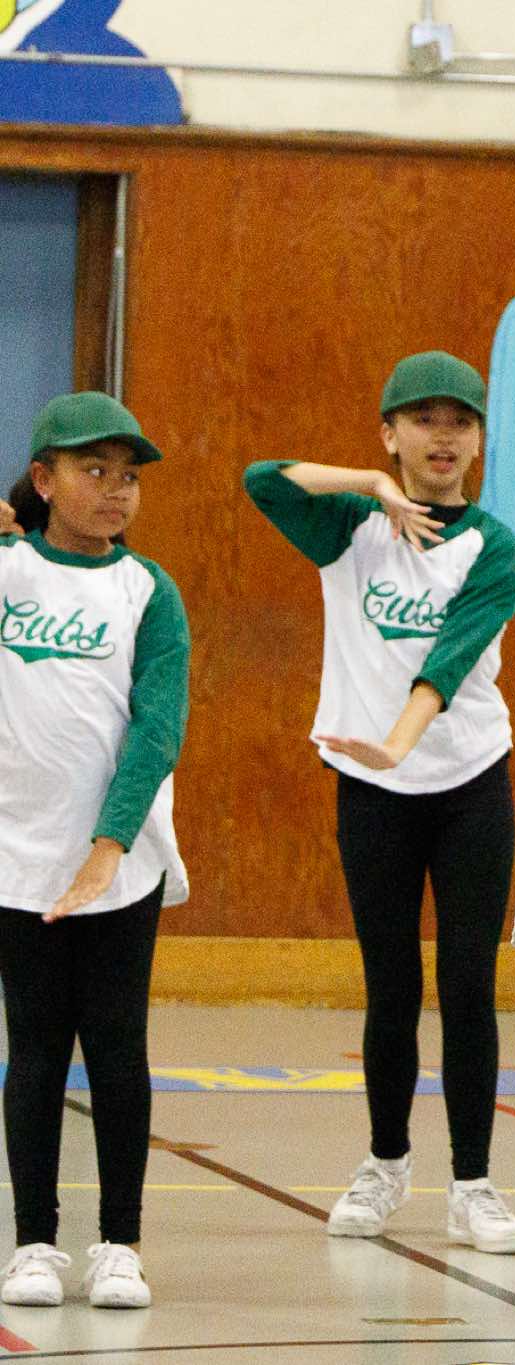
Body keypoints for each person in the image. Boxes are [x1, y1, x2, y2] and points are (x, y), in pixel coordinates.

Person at [242, 352, 515, 1253]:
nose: (444, 437)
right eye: (423, 419)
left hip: (469, 780)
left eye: (461, 422)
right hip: (371, 790)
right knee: (390, 983)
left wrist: (403, 739)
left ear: (479, 440)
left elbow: (451, 657)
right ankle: (386, 1161)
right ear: (390, 432)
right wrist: (369, 485)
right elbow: (261, 479)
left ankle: (473, 1183)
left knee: (468, 983)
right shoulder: (350, 531)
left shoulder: (494, 545)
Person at [0, 393, 189, 1310]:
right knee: (34, 1050)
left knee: (117, 1049)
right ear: (43, 479)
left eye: (129, 476)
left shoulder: (149, 591)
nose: (117, 490)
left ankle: (120, 1241)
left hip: (121, 864)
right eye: (94, 471)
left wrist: (110, 844)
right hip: (16, 858)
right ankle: (34, 1242)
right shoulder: (7, 574)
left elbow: (157, 726)